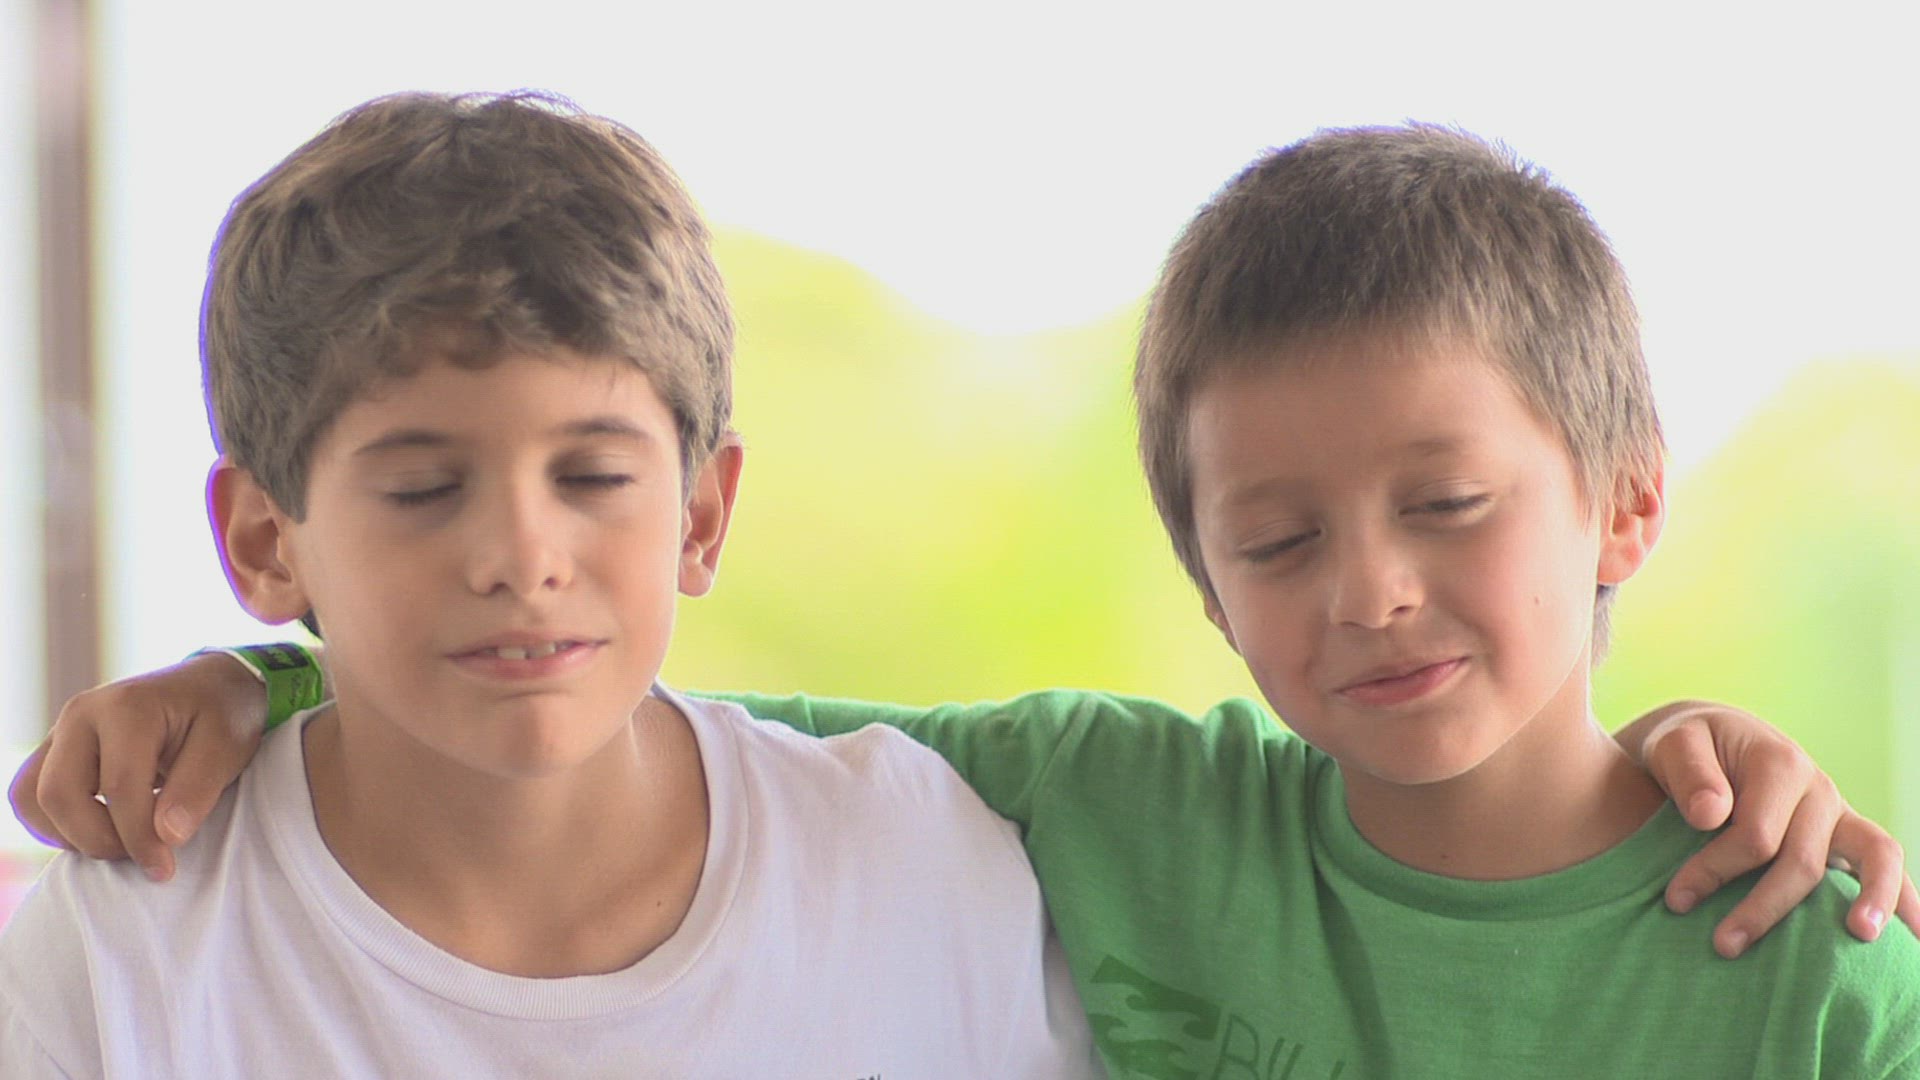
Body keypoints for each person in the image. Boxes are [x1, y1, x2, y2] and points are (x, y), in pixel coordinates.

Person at [11, 122, 1920, 1073]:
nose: (1373, 590)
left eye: (1448, 506)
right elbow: (586, 715)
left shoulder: (1820, 965)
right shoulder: (1111, 808)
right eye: (1276, 541)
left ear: (1628, 503)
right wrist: (257, 679)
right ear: (1205, 584)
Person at [0, 91, 1099, 1078]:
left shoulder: (914, 869)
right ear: (263, 541)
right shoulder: (118, 962)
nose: (524, 557)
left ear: (700, 516)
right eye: (425, 489)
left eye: (593, 477)